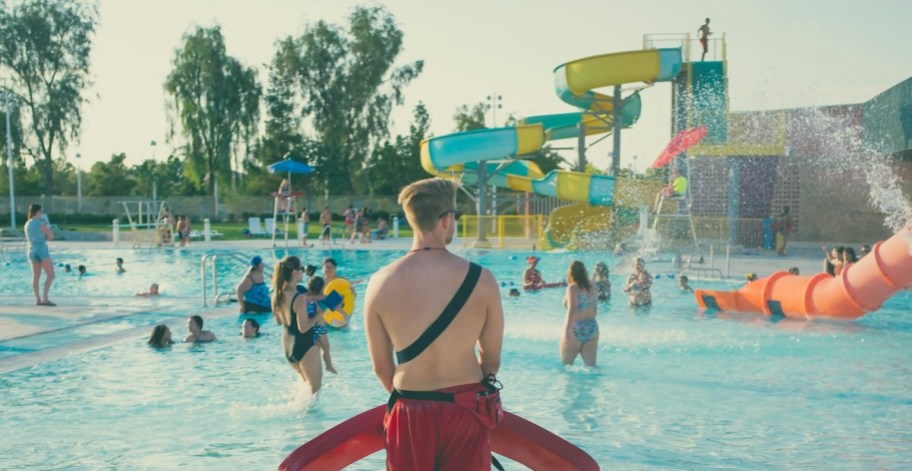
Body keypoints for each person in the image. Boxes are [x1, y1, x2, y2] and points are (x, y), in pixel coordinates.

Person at [364, 177, 504, 470]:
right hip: (466, 409)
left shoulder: (379, 283)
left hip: (409, 409)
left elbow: (381, 367)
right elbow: (491, 360)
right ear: (447, 220)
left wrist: (414, 401)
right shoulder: (482, 279)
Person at [272, 256, 332, 394]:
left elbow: (278, 321)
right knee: (314, 394)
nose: (303, 272)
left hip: (288, 347)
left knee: (304, 391)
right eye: (302, 269)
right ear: (295, 273)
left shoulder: (277, 295)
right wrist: (319, 314)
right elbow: (303, 327)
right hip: (304, 346)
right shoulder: (299, 298)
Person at [561, 261, 599, 367]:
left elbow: (572, 310)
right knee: (591, 367)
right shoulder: (594, 287)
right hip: (592, 327)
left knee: (567, 367)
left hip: (576, 328)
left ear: (571, 273)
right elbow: (595, 309)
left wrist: (566, 332)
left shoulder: (572, 288)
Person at [25, 204, 55, 306]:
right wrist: (47, 234)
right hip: (41, 250)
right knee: (51, 275)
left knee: (36, 276)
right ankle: (45, 298)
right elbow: (51, 236)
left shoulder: (27, 224)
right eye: (41, 211)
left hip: (31, 250)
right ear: (37, 212)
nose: (42, 213)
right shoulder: (40, 223)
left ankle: (37, 299)